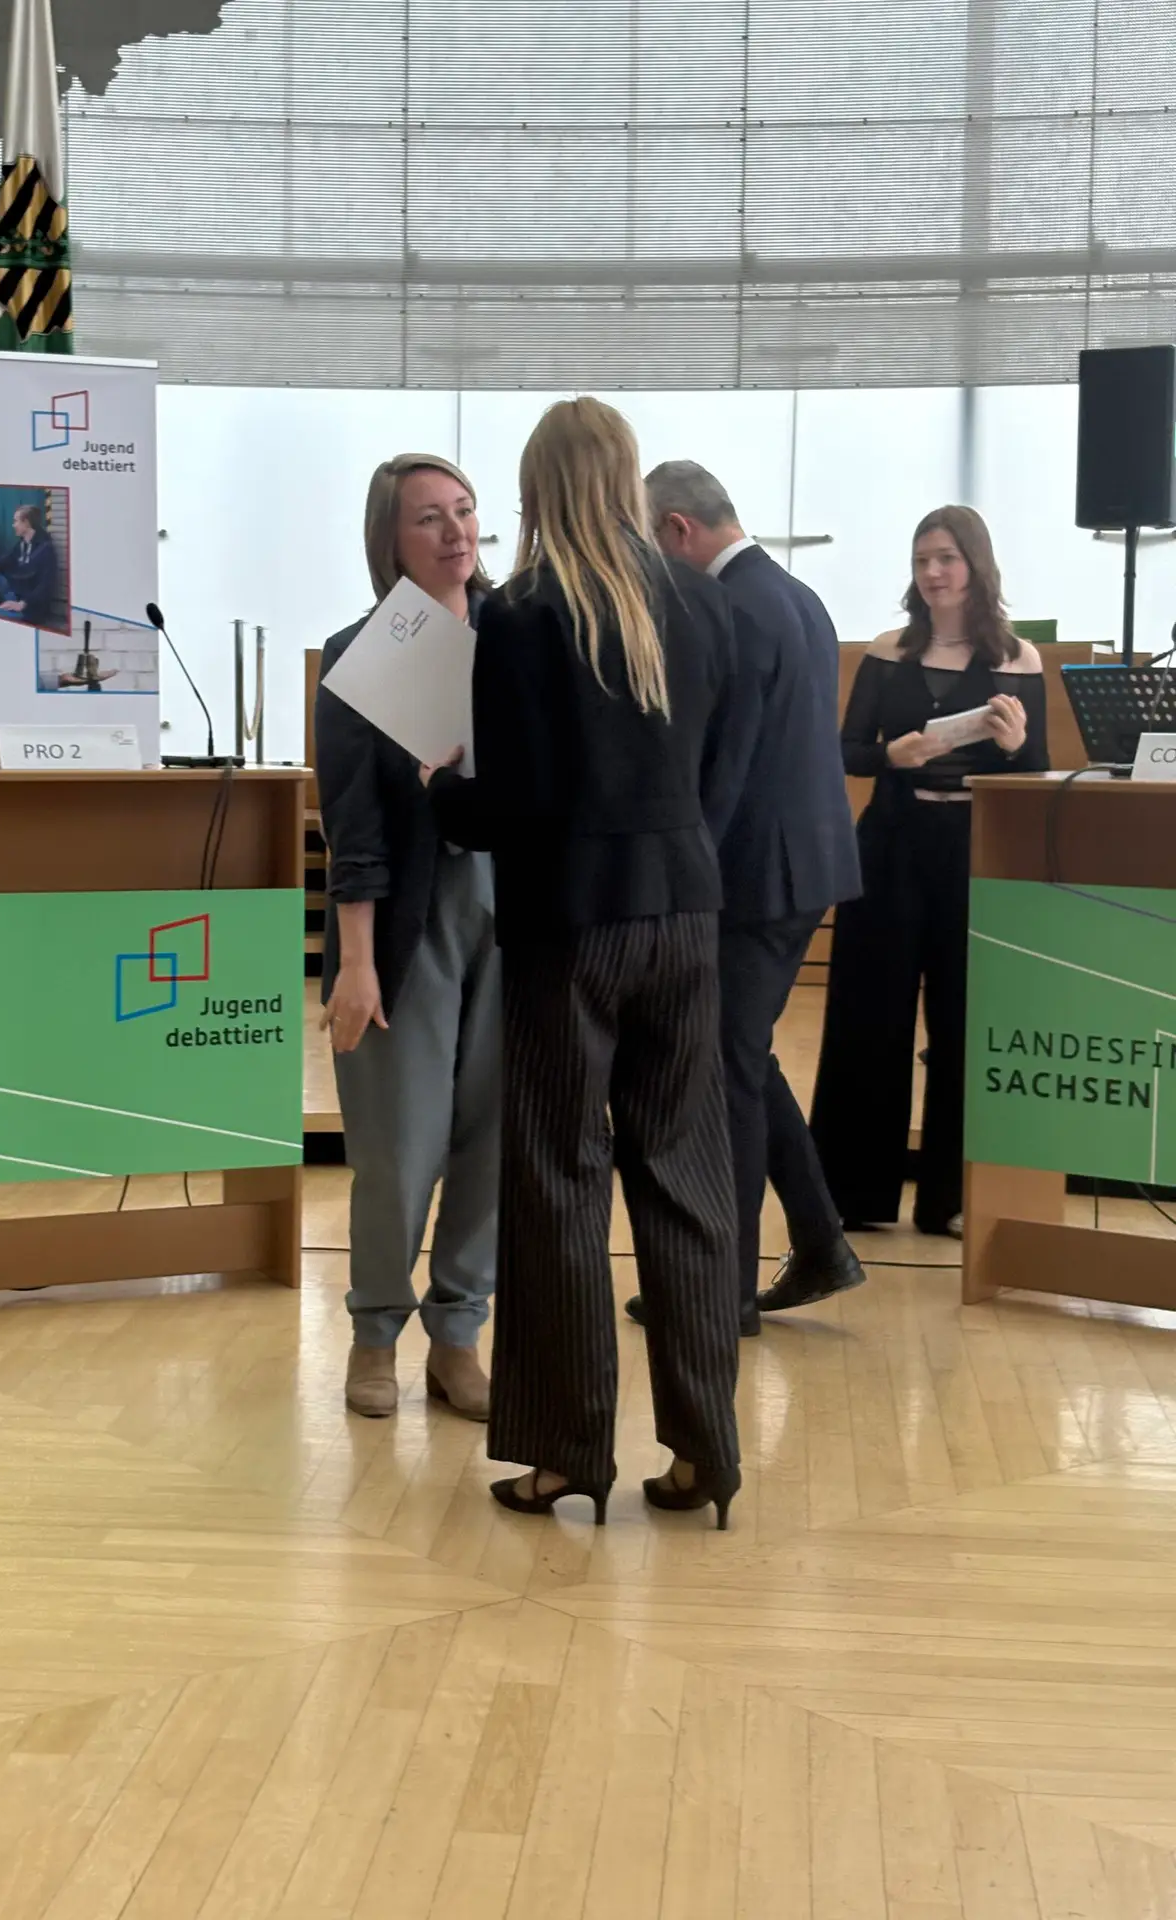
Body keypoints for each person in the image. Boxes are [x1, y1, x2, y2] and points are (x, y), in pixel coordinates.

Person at [426, 397, 743, 1528]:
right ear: (624, 477)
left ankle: (567, 1455)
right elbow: (714, 770)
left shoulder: (523, 613)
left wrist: (440, 790)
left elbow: (515, 804)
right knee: (686, 1175)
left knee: (559, 1178)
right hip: (686, 912)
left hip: (570, 927)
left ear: (535, 489)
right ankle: (706, 1453)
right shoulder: (700, 599)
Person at [620, 462, 867, 1331]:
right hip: (806, 865)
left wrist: (681, 879)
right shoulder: (798, 597)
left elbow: (724, 768)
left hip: (753, 875)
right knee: (743, 1055)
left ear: (678, 530)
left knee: (725, 1069)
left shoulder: (730, 606)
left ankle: (723, 1292)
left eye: (649, 543)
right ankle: (821, 1241)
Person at [315, 454, 500, 1423]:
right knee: (398, 1145)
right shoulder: (363, 651)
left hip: (519, 916)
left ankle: (458, 1334)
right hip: (406, 919)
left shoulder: (522, 631)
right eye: (429, 517)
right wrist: (354, 963)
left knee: (493, 1136)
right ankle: (376, 1332)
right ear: (389, 536)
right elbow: (353, 824)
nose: (455, 531)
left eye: (464, 510)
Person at [808, 506, 1049, 1238]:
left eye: (945, 558)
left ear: (976, 564)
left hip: (971, 850)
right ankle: (854, 1193)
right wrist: (892, 754)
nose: (932, 573)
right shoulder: (889, 652)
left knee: (960, 1021)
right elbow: (846, 750)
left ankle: (947, 1197)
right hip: (891, 842)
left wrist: (1015, 746)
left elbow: (1036, 774)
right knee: (869, 1015)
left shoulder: (1019, 660)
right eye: (921, 561)